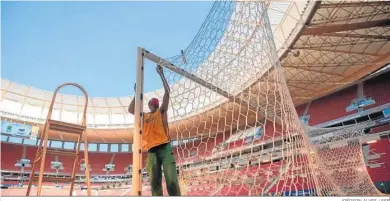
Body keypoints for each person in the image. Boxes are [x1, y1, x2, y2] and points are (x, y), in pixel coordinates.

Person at [128, 65, 181, 196]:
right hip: (151, 150)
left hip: (164, 146)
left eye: (156, 102)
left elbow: (167, 92)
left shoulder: (161, 112)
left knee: (172, 181)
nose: (154, 103)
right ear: (149, 105)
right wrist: (136, 94)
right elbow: (130, 110)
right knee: (155, 183)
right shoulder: (144, 116)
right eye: (153, 102)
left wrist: (161, 74)